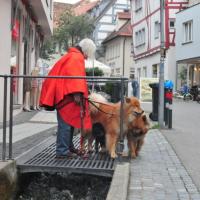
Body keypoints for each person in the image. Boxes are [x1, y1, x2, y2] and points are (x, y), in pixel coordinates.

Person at [39, 38, 96, 159]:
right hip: (67, 97)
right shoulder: (76, 58)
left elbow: (72, 75)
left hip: (64, 94)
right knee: (65, 124)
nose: (88, 56)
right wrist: (77, 93)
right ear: (87, 50)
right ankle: (62, 151)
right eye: (89, 53)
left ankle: (68, 147)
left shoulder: (72, 56)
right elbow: (74, 76)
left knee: (68, 123)